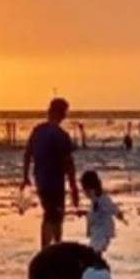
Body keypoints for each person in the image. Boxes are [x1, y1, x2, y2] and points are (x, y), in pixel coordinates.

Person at [23, 98, 80, 248]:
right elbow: (69, 164)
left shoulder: (38, 131)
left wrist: (25, 177)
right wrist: (74, 188)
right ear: (62, 114)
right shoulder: (61, 135)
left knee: (52, 214)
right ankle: (49, 249)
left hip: (40, 180)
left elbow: (27, 154)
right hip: (55, 181)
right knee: (54, 216)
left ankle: (54, 247)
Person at [82, 170, 126, 255]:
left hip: (103, 231)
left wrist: (118, 214)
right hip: (96, 231)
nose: (86, 193)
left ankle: (96, 264)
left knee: (95, 250)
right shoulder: (94, 200)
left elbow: (112, 207)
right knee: (94, 250)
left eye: (87, 190)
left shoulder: (102, 198)